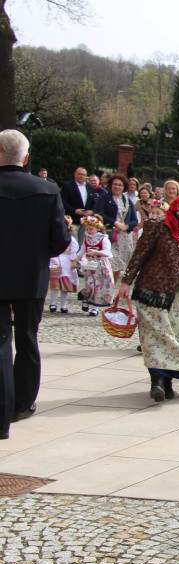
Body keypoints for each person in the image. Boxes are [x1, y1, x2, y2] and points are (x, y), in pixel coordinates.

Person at [0, 129, 70, 438]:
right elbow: (60, 240)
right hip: (32, 276)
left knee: (2, 343)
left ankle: (4, 409)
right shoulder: (47, 189)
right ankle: (23, 403)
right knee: (27, 338)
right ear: (26, 158)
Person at [118, 188, 179, 402]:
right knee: (155, 336)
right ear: (178, 207)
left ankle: (167, 381)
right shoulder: (158, 225)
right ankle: (156, 381)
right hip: (154, 289)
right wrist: (126, 281)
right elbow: (140, 254)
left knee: (176, 336)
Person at [99, 173, 140, 281]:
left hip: (123, 237)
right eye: (115, 184)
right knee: (110, 262)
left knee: (118, 265)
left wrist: (126, 226)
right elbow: (99, 213)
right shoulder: (104, 198)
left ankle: (111, 289)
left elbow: (134, 220)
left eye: (120, 185)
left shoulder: (128, 201)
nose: (117, 187)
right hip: (109, 235)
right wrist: (115, 223)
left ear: (124, 187)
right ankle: (104, 286)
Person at [77, 215, 115, 316]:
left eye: (91, 229)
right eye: (87, 229)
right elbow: (82, 251)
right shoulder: (86, 239)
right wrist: (75, 261)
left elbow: (108, 252)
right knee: (89, 284)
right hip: (89, 265)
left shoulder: (103, 238)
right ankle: (86, 299)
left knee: (99, 286)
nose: (89, 231)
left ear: (97, 228)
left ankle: (95, 307)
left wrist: (96, 252)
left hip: (100, 265)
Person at [60, 166, 96, 242]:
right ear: (75, 174)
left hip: (86, 222)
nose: (82, 176)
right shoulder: (68, 186)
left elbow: (94, 203)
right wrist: (74, 210)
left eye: (84, 175)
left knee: (83, 243)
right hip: (73, 220)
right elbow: (63, 202)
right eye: (80, 174)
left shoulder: (89, 187)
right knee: (73, 242)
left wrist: (92, 211)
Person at [48, 228, 79, 314]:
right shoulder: (54, 237)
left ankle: (63, 305)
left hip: (66, 263)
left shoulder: (70, 239)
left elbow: (73, 251)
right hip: (56, 260)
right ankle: (52, 303)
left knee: (65, 286)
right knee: (55, 285)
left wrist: (73, 261)